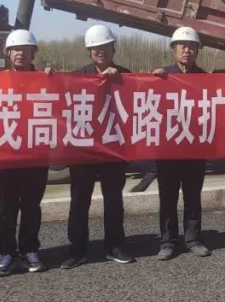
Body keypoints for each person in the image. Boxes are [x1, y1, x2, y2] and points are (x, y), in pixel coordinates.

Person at [61, 25, 136, 269]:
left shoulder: (125, 75)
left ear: (113, 49)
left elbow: (141, 101)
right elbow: (61, 98)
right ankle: (77, 250)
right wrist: (49, 75)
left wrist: (121, 80)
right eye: (96, 48)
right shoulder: (78, 76)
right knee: (79, 202)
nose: (101, 51)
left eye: (105, 46)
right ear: (89, 51)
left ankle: (115, 246)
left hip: (113, 149)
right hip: (84, 150)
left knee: (113, 200)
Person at [0, 29, 51, 277]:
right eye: (15, 50)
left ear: (34, 53)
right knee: (7, 207)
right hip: (6, 153)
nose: (20, 54)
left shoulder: (45, 79)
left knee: (32, 205)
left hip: (35, 154)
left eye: (25, 49)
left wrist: (55, 79)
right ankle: (6, 253)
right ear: (8, 54)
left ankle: (30, 249)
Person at [152, 26, 212, 260]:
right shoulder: (162, 76)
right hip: (168, 148)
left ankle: (193, 239)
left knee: (192, 196)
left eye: (192, 47)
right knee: (167, 197)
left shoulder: (205, 79)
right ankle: (167, 241)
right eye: (182, 46)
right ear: (174, 49)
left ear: (197, 50)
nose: (187, 51)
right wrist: (151, 81)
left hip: (195, 148)